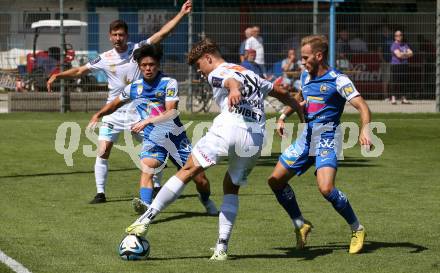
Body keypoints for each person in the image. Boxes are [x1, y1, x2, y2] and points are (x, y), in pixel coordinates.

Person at [124, 38, 304, 260]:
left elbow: (228, 80)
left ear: (208, 58)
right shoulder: (251, 73)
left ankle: (145, 220)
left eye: (199, 66)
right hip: (255, 139)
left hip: (230, 128)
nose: (200, 72)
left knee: (188, 169)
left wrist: (234, 88)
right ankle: (221, 248)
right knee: (231, 186)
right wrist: (297, 108)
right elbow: (279, 92)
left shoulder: (218, 71)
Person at [47, 1, 194, 204]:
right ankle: (100, 193)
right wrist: (58, 75)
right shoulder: (104, 58)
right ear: (110, 36)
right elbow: (80, 71)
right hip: (115, 111)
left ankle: (157, 186)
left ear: (127, 36)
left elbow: (162, 34)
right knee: (103, 149)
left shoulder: (138, 50)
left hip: (140, 112)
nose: (118, 38)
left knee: (156, 147)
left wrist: (181, 14)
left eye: (121, 35)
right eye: (114, 35)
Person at [267, 35, 371, 254]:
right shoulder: (306, 76)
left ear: (318, 56)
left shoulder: (339, 80)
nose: (302, 62)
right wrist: (283, 115)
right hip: (306, 138)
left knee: (326, 189)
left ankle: (357, 228)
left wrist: (365, 130)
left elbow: (362, 106)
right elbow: (301, 98)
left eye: (305, 58)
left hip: (327, 138)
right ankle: (300, 224)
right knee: (275, 181)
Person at [87, 44, 218, 215]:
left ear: (158, 65)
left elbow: (172, 112)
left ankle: (206, 200)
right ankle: (146, 210)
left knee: (200, 179)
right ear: (139, 66)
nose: (148, 68)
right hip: (153, 139)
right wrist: (98, 115)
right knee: (147, 168)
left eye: (152, 65)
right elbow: (114, 104)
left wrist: (148, 120)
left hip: (176, 139)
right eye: (144, 65)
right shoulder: (134, 88)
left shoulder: (168, 83)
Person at [390, 30, 413, 104]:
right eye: (397, 35)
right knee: (395, 82)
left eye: (400, 35)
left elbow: (411, 53)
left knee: (404, 82)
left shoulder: (404, 44)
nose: (399, 36)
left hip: (404, 65)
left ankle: (403, 98)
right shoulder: (394, 45)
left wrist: (403, 54)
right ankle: (393, 98)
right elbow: (398, 55)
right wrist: (406, 54)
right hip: (396, 65)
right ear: (395, 37)